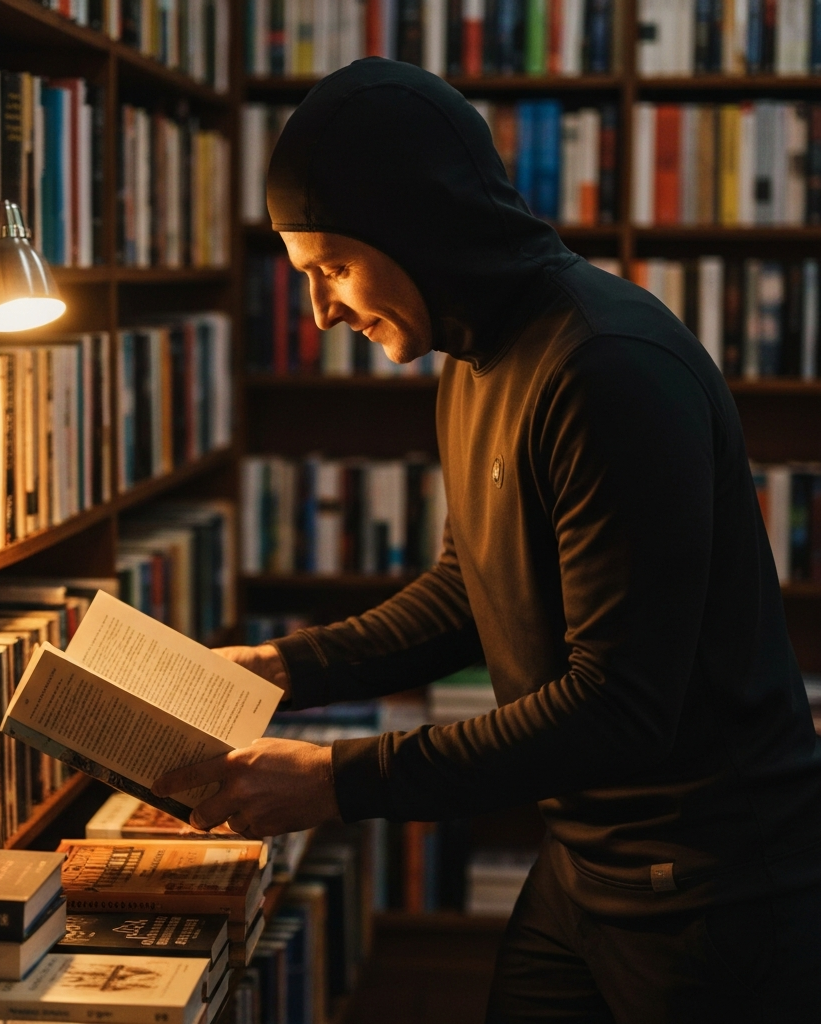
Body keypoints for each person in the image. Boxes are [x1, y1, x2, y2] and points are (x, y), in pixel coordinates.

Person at [152, 58, 821, 1022]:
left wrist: (339, 782)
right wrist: (274, 668)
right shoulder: (473, 359)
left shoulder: (607, 368)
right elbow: (471, 592)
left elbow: (620, 707)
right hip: (588, 865)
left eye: (332, 266)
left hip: (714, 893)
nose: (320, 310)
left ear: (415, 226)